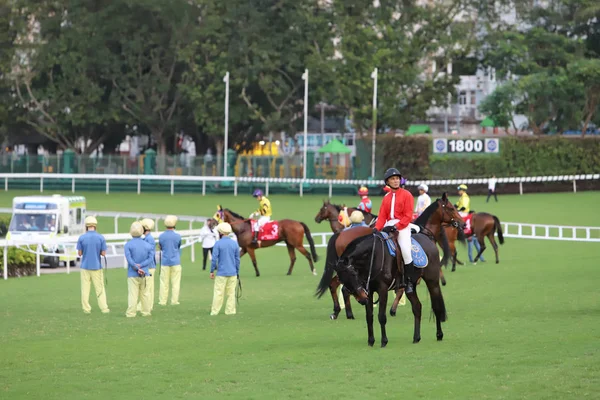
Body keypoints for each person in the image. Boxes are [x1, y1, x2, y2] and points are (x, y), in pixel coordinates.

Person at [374, 168, 416, 293]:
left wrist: (397, 227)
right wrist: (376, 229)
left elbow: (408, 216)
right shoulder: (386, 197)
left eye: (397, 178)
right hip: (388, 225)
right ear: (388, 182)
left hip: (402, 226)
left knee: (405, 250)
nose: (396, 181)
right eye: (393, 179)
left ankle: (409, 282)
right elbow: (382, 216)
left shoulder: (407, 195)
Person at [76, 216, 109, 314]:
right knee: (100, 288)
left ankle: (86, 308)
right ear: (95, 226)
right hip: (96, 266)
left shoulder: (82, 237)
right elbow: (103, 254)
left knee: (85, 289)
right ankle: (104, 308)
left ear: (86, 226)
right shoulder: (100, 237)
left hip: (85, 266)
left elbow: (80, 253)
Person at [210, 222, 241, 316]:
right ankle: (230, 311)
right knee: (231, 293)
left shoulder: (218, 244)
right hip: (232, 272)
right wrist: (237, 271)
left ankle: (215, 311)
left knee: (218, 293)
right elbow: (237, 259)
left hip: (221, 273)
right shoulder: (234, 243)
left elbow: (214, 259)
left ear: (220, 232)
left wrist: (212, 271)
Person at [124, 221, 154, 318]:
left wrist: (137, 267)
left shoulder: (128, 245)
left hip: (132, 273)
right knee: (145, 294)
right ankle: (146, 312)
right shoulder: (147, 245)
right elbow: (150, 259)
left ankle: (131, 313)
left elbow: (129, 259)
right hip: (145, 272)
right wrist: (141, 266)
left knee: (133, 295)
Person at [158, 215, 182, 306]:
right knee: (175, 283)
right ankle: (174, 301)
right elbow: (178, 246)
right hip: (175, 261)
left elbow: (161, 247)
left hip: (165, 261)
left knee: (164, 283)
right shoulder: (177, 236)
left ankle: (162, 301)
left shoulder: (161, 236)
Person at [140, 218, 157, 310]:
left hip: (149, 266)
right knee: (146, 287)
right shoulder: (147, 238)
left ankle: (147, 306)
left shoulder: (148, 239)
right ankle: (145, 305)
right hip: (149, 266)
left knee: (148, 288)